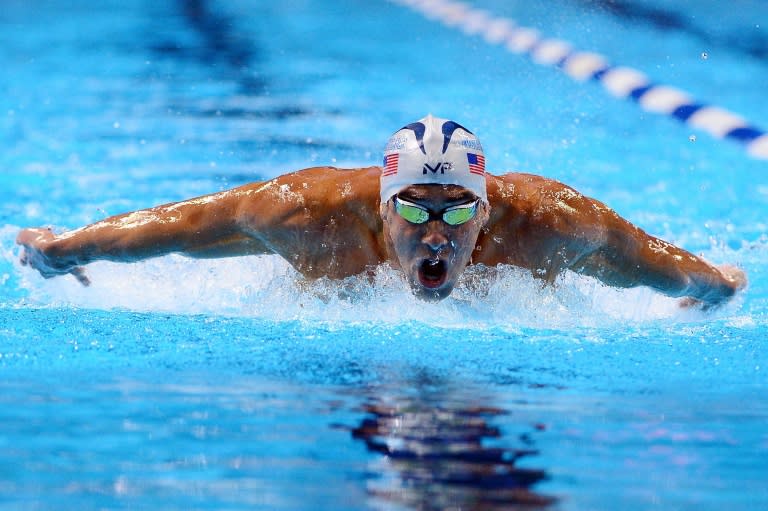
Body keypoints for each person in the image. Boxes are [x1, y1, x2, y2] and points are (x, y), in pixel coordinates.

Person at [16, 114, 746, 307]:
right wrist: (69, 249)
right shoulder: (308, 216)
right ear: (381, 202)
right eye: (416, 211)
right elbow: (179, 225)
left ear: (487, 213)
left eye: (458, 213)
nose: (435, 233)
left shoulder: (549, 224)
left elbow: (642, 257)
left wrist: (711, 285)